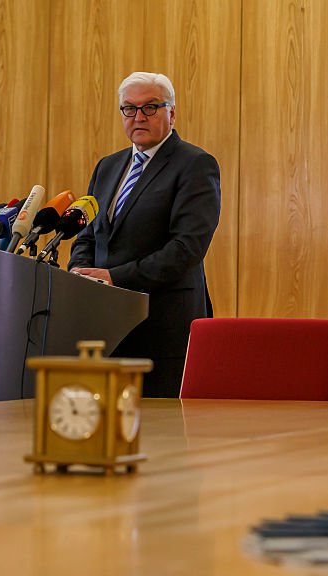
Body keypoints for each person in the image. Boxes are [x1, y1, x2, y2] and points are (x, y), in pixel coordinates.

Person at [69, 72, 221, 398]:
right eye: (129, 108)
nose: (138, 117)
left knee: (163, 436)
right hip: (107, 325)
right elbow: (88, 234)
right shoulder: (107, 167)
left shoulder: (195, 164)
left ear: (172, 113)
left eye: (150, 108)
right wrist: (80, 273)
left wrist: (114, 277)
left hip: (163, 326)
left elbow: (186, 248)